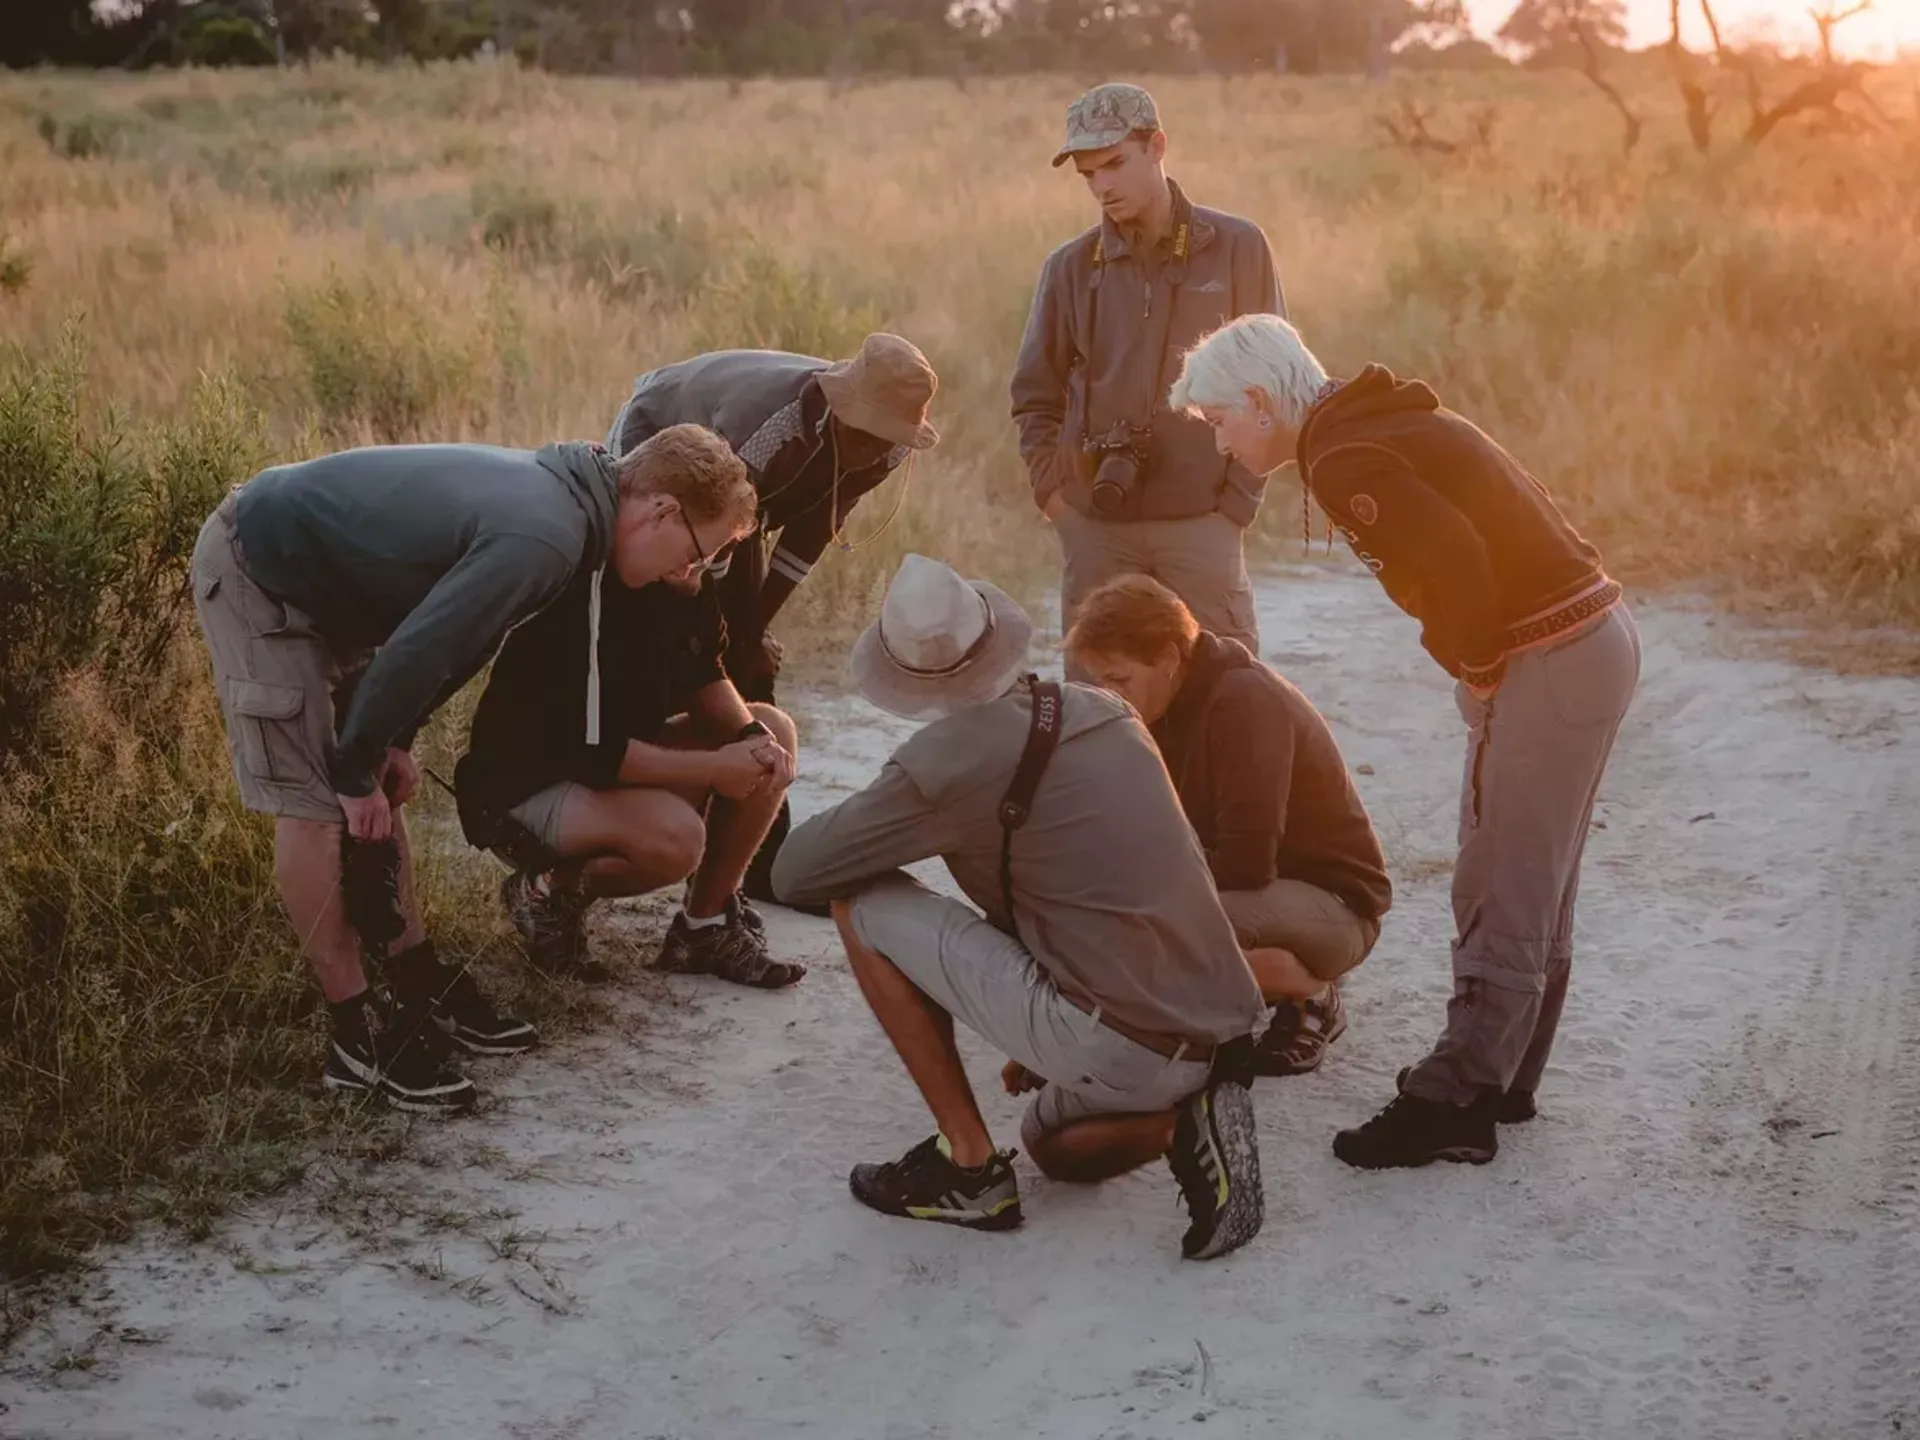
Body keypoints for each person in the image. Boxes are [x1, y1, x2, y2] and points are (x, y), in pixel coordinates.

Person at [1169, 314, 1642, 1170]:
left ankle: (1456, 1099)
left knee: (1498, 875)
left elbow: (1458, 565)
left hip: (1553, 654)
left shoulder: (1346, 457)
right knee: (1537, 874)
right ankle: (1505, 1075)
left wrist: (1479, 665)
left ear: (1259, 400)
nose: (1220, 441)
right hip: (1592, 638)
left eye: (1219, 421)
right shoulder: (1371, 423)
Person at [188, 422, 752, 1113]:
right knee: (315, 807)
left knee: (377, 788)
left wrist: (395, 742)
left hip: (331, 588)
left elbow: (460, 642)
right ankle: (354, 1034)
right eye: (698, 554)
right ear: (661, 509)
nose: (689, 576)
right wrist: (357, 766)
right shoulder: (548, 536)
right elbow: (420, 652)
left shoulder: (575, 515)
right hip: (261, 570)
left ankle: (416, 981)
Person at [770, 553, 1269, 1261]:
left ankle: (968, 1167)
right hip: (1213, 1024)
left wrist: (903, 809)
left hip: (1117, 1035)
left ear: (902, 678)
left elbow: (796, 873)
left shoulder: (943, 763)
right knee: (1053, 1148)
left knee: (860, 904)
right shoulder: (1105, 707)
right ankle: (1190, 1116)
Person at [605, 333, 940, 907]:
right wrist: (727, 641)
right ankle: (625, 786)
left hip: (744, 503)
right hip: (669, 438)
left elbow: (814, 527)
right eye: (857, 428)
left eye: (880, 435)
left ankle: (749, 860)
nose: (864, 449)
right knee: (673, 630)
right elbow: (714, 535)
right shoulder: (771, 423)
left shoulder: (891, 448)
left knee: (743, 654)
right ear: (838, 401)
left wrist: (755, 630)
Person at [451, 485, 804, 991]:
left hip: (603, 767)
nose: (704, 566)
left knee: (776, 731)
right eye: (702, 551)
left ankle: (702, 929)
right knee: (677, 839)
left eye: (722, 553)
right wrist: (715, 769)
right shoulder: (584, 584)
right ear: (664, 515)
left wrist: (749, 737)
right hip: (528, 785)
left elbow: (704, 671)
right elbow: (595, 753)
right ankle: (546, 891)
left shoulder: (683, 573)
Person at [1065, 573, 1392, 1078]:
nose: (1109, 695)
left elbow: (1247, 863)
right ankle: (1234, 988)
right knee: (1102, 921)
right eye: (1099, 681)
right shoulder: (1163, 701)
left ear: (1171, 659)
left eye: (1119, 679)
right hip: (1257, 895)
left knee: (1139, 934)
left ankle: (1310, 992)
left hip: (1335, 906)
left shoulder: (1244, 702)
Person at [1009, 82, 1284, 666]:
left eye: (1115, 163)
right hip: (1097, 527)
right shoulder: (1069, 267)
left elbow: (1274, 382)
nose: (1103, 185)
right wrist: (1057, 501)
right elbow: (1035, 395)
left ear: (1157, 146)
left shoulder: (1238, 247)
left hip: (1203, 521)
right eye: (1088, 174)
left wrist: (1236, 503)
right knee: (1099, 709)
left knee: (1228, 692)